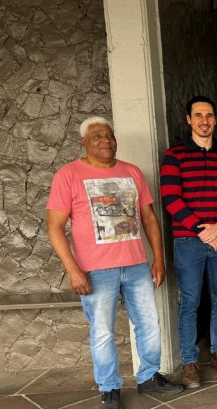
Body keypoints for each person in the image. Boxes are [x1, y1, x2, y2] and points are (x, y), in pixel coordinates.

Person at [47, 117, 183, 408]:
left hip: (135, 265)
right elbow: (55, 227)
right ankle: (109, 388)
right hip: (95, 270)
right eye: (97, 136)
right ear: (83, 142)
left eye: (109, 135)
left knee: (149, 324)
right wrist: (73, 270)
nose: (105, 140)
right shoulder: (68, 175)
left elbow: (148, 217)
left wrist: (157, 259)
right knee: (102, 331)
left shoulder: (132, 172)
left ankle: (148, 377)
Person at [160, 96, 217, 388]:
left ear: (215, 120)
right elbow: (171, 198)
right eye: (198, 115)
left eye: (209, 115)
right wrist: (201, 229)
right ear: (189, 119)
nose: (204, 120)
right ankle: (190, 362)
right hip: (188, 241)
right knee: (190, 302)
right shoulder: (175, 155)